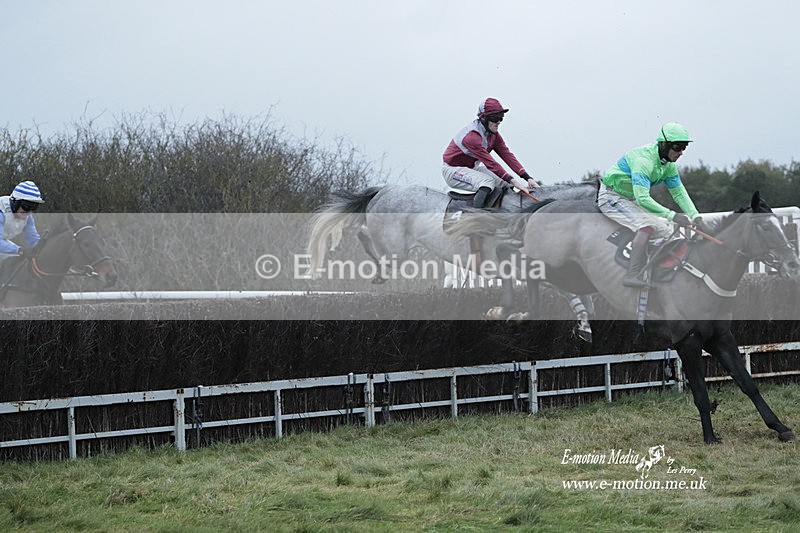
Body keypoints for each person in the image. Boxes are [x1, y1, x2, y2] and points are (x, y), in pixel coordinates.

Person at [598, 122, 710, 288]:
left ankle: (651, 271)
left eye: (684, 148)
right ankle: (632, 274)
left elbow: (679, 193)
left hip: (630, 199)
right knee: (648, 224)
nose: (680, 153)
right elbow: (643, 198)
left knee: (665, 231)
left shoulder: (669, 166)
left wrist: (696, 216)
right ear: (664, 144)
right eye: (678, 147)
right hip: (611, 197)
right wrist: (673, 215)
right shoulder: (644, 161)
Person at [442, 97, 539, 208]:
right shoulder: (472, 137)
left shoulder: (493, 135)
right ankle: (475, 217)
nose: (498, 122)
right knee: (487, 182)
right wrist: (516, 182)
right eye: (495, 118)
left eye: (501, 118)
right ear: (484, 118)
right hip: (452, 170)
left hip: (471, 169)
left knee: (505, 183)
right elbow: (491, 163)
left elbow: (507, 155)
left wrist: (528, 178)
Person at [0, 180, 44, 262]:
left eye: (33, 207)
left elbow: (33, 240)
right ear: (15, 202)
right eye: (26, 206)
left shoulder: (28, 217)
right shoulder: (1, 212)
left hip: (3, 242)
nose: (29, 212)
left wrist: (44, 246)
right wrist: (20, 249)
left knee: (18, 259)